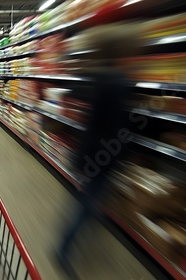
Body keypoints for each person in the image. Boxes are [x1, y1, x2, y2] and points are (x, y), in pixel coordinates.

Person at [56, 23, 142, 278]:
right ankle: (63, 249)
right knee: (85, 204)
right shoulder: (117, 82)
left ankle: (78, 236)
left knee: (89, 199)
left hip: (90, 150)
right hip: (104, 154)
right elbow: (120, 124)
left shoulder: (96, 76)